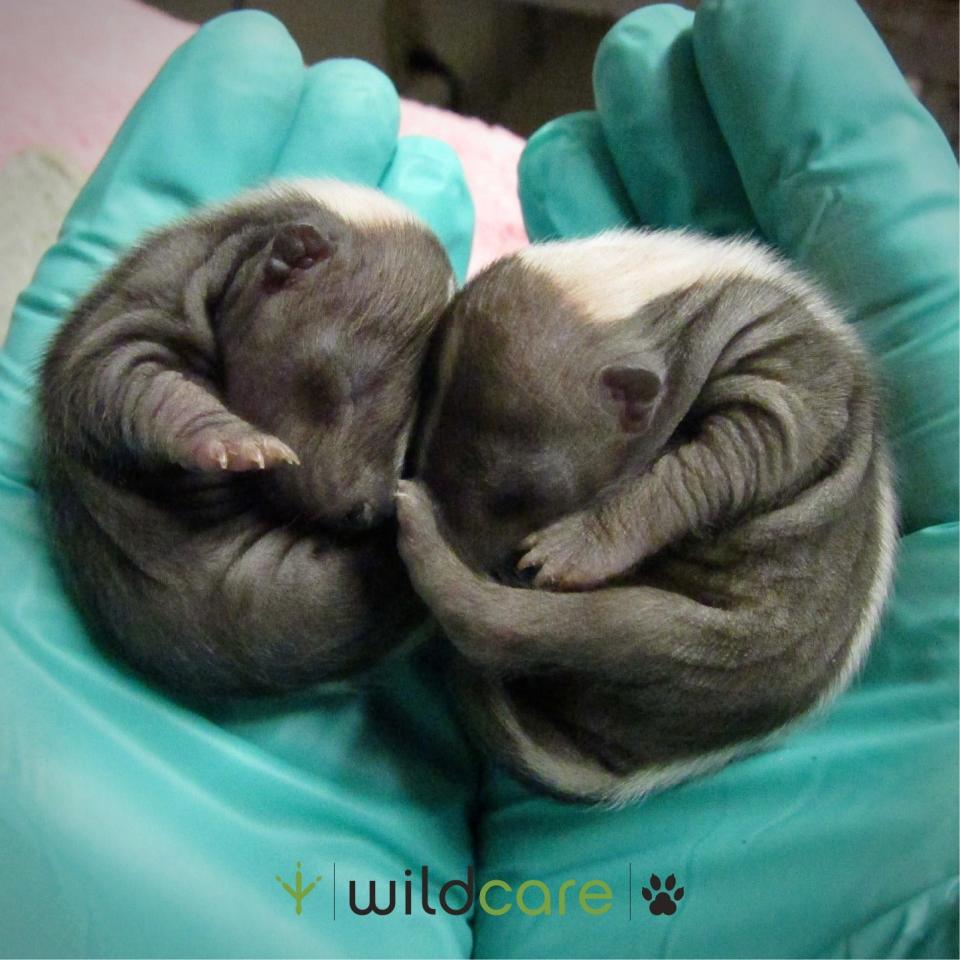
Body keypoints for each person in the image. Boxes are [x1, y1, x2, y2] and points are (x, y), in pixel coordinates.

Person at [0, 1, 955, 956]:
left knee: (435, 583)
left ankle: (472, 609)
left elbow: (732, 460)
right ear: (284, 265)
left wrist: (602, 530)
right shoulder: (180, 302)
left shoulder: (764, 373)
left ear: (634, 401)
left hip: (731, 640)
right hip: (177, 580)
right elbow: (108, 377)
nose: (354, 489)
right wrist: (192, 422)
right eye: (347, 396)